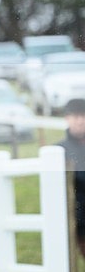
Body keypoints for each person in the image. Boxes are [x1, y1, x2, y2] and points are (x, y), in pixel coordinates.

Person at [58, 98, 85, 259]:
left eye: (83, 116)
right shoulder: (60, 150)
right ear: (67, 118)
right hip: (80, 221)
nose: (81, 121)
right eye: (76, 117)